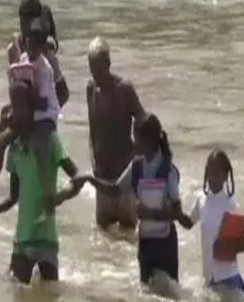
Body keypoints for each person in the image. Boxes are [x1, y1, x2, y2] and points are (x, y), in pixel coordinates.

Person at [0, 0, 68, 212]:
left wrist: (43, 118)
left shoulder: (45, 51)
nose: (24, 26)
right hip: (25, 113)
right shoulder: (15, 49)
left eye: (28, 20)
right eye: (22, 20)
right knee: (5, 114)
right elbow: (17, 88)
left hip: (39, 118)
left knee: (30, 189)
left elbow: (63, 94)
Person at [75, 113, 192, 287]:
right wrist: (90, 179)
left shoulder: (168, 170)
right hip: (145, 242)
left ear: (149, 140)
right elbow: (114, 190)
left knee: (171, 292)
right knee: (146, 292)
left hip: (166, 244)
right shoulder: (136, 166)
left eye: (136, 138)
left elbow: (177, 213)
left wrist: (149, 213)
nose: (133, 143)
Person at [0, 78, 83, 284]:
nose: (15, 111)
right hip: (22, 240)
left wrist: (59, 197)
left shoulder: (50, 141)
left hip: (47, 240)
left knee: (50, 293)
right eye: (13, 105)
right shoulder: (14, 149)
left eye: (20, 105)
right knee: (16, 291)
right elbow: (13, 197)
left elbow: (77, 178)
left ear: (32, 108)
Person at [86, 36, 147, 231]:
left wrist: (134, 159)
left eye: (99, 69)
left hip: (124, 174)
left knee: (128, 232)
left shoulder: (124, 89)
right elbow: (92, 129)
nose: (96, 74)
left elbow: (144, 124)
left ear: (109, 64)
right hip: (102, 175)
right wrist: (93, 161)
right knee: (103, 233)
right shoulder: (91, 88)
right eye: (92, 69)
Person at [184, 149, 244, 292]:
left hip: (228, 277)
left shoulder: (230, 205)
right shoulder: (201, 200)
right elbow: (188, 223)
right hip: (209, 277)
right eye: (209, 172)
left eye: (216, 173)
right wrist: (172, 211)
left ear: (225, 176)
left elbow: (243, 245)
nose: (212, 177)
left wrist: (223, 246)